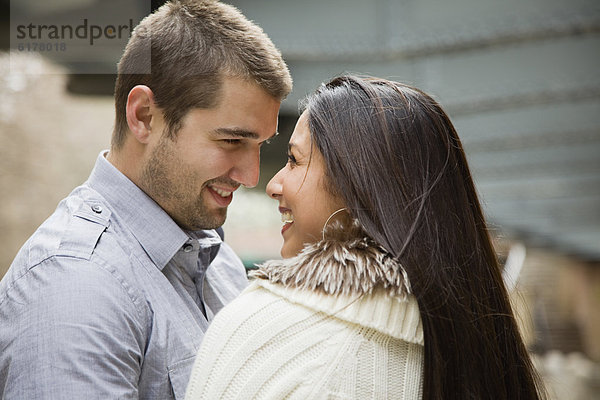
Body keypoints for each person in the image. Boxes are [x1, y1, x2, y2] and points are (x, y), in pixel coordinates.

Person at [185, 76, 547, 399]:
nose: (273, 184)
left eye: (294, 160)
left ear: (357, 186)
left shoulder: (260, 329)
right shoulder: (487, 350)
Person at [0, 1, 292, 398]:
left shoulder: (217, 260)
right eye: (231, 140)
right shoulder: (76, 286)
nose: (252, 175)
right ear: (143, 116)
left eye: (259, 144)